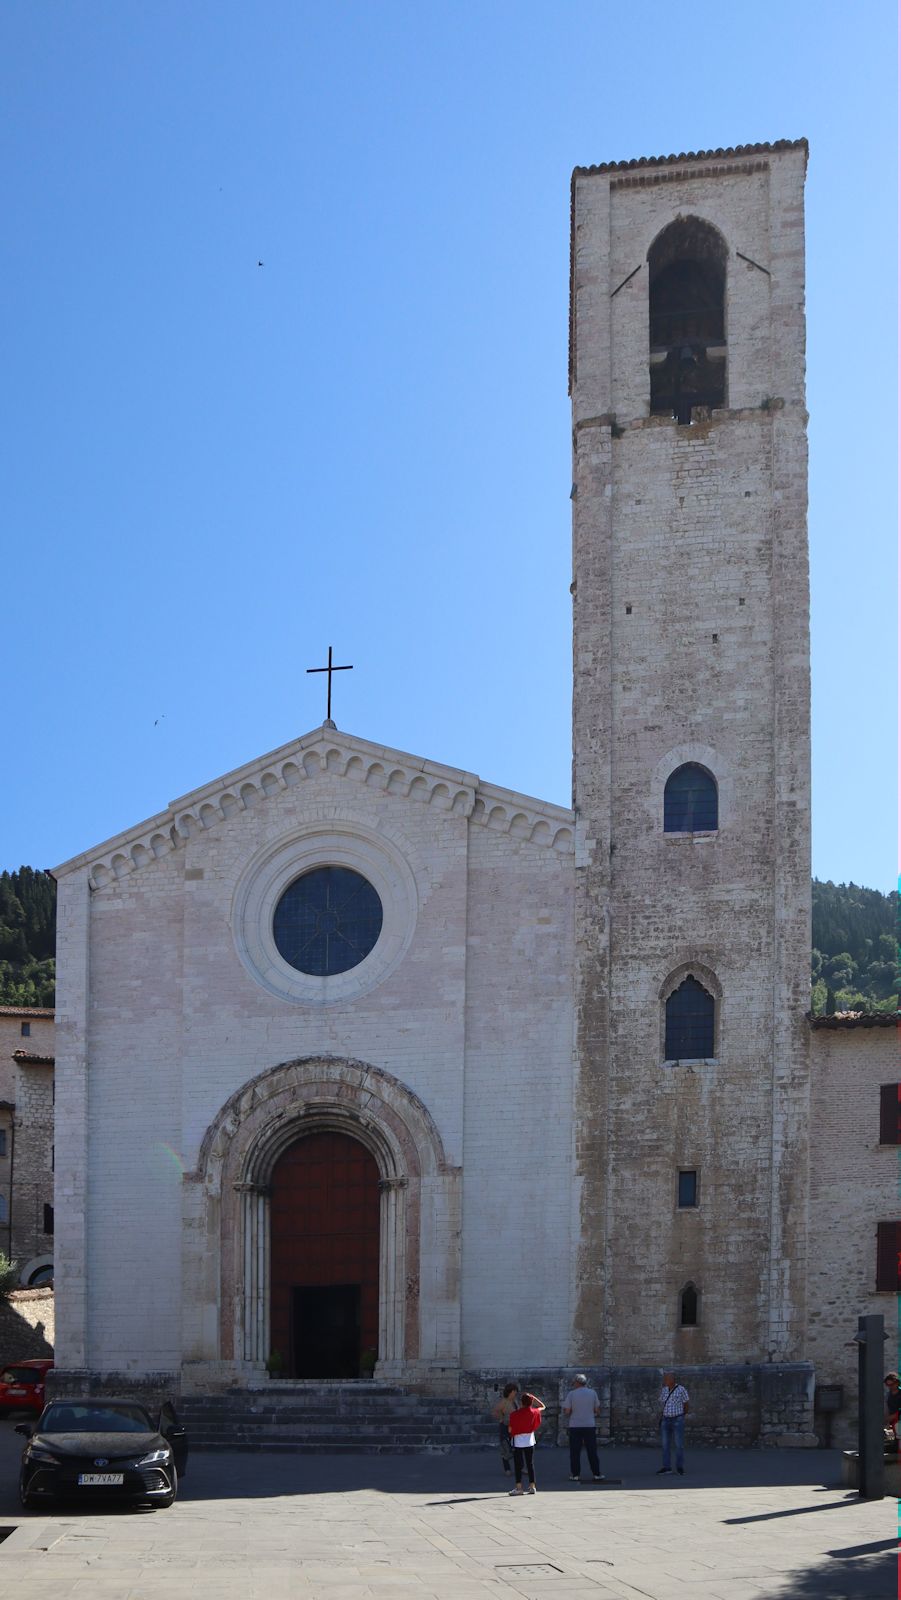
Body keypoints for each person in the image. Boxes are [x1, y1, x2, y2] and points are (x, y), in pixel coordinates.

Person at [561, 1373, 604, 1483]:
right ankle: (596, 1474)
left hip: (575, 1425)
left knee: (575, 1451)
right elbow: (597, 1410)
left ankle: (575, 1475)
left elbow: (567, 1411)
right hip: (589, 1425)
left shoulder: (571, 1394)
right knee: (592, 1451)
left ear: (576, 1382)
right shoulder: (592, 1393)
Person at [507, 1389, 545, 1495]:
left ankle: (519, 1488)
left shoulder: (515, 1414)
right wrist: (534, 1398)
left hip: (518, 1441)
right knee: (530, 1464)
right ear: (531, 1402)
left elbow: (510, 1429)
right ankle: (532, 1486)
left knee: (518, 1465)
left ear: (521, 1402)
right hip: (530, 1440)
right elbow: (543, 1406)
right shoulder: (534, 1412)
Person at [657, 1371, 690, 1476]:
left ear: (672, 1379)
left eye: (666, 1379)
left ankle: (680, 1467)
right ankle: (667, 1467)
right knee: (665, 1445)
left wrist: (682, 1415)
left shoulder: (681, 1389)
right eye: (664, 1379)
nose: (665, 1381)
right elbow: (662, 1403)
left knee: (679, 1445)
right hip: (666, 1420)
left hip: (677, 1419)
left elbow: (686, 1403)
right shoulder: (664, 1390)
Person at [491, 1383, 518, 1475]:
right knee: (505, 1448)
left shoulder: (515, 1402)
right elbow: (495, 1411)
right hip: (505, 1426)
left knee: (517, 1448)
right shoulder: (504, 1402)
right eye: (514, 1392)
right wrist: (501, 1418)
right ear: (510, 1392)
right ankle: (507, 1469)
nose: (515, 1393)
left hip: (514, 1427)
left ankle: (520, 1467)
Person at [885, 1373, 900, 1439]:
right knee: (890, 1441)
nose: (889, 1387)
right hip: (891, 1423)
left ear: (897, 1383)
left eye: (891, 1384)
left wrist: (894, 1415)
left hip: (899, 1421)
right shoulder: (888, 1394)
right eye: (887, 1385)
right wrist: (887, 1420)